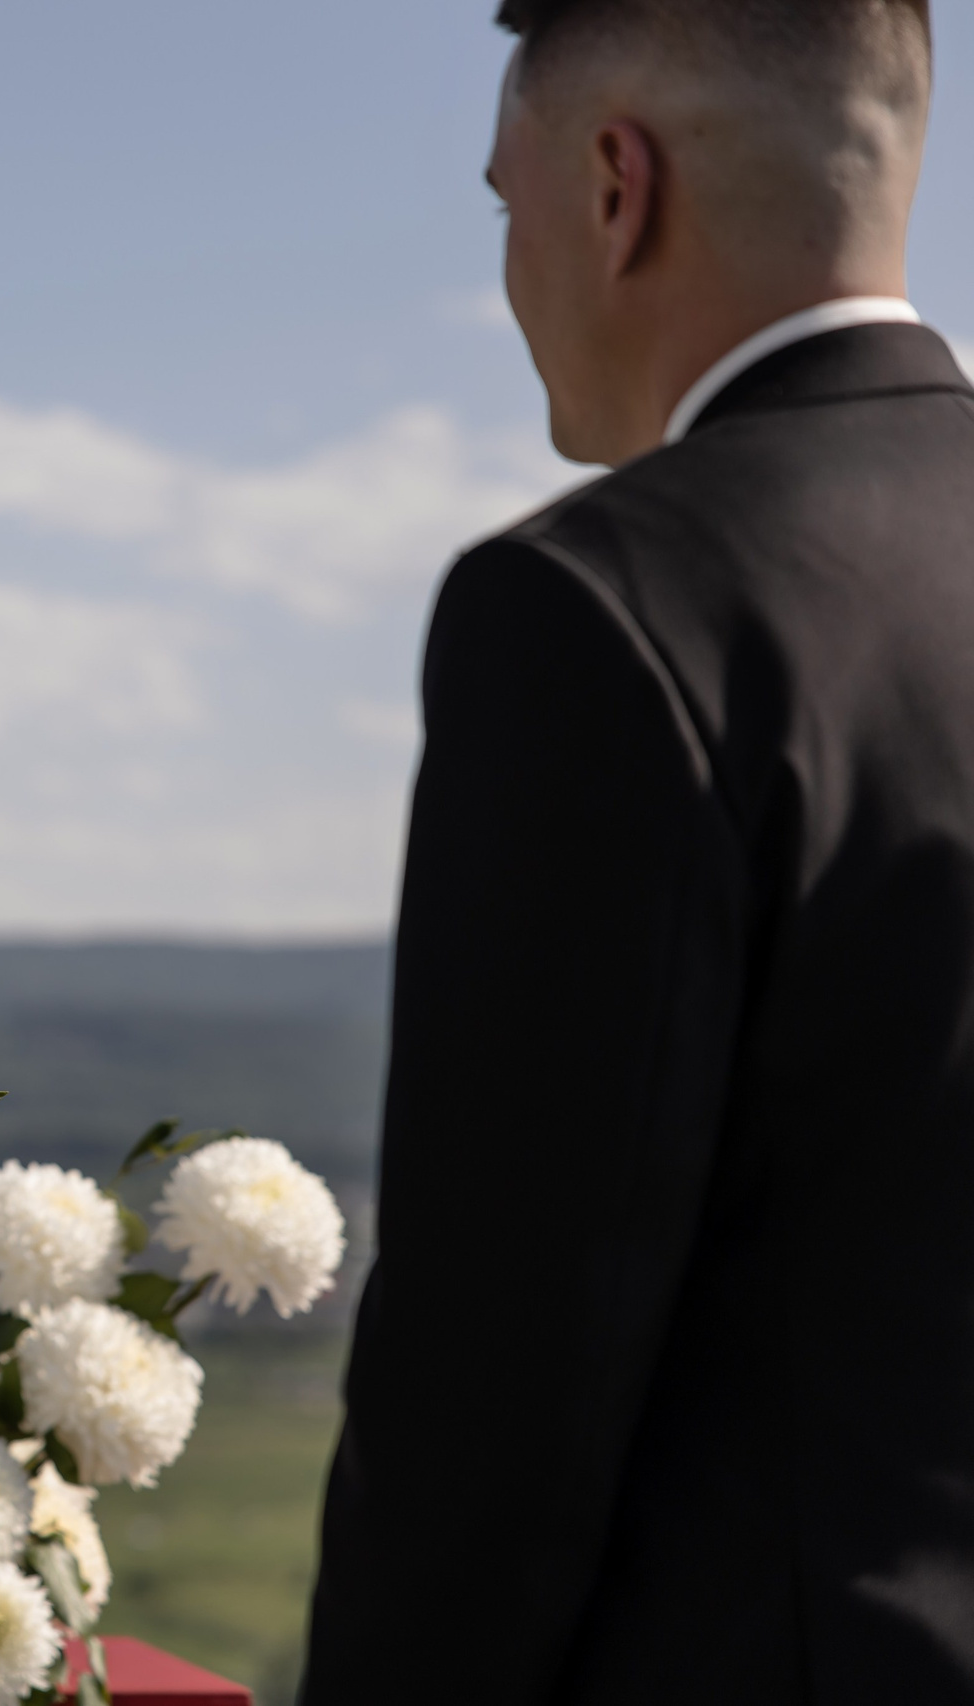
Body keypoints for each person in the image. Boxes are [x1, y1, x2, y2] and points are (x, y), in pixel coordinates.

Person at [303, 3, 974, 1701]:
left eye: (500, 202)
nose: (511, 269)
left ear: (617, 187)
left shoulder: (606, 611)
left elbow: (503, 1373)